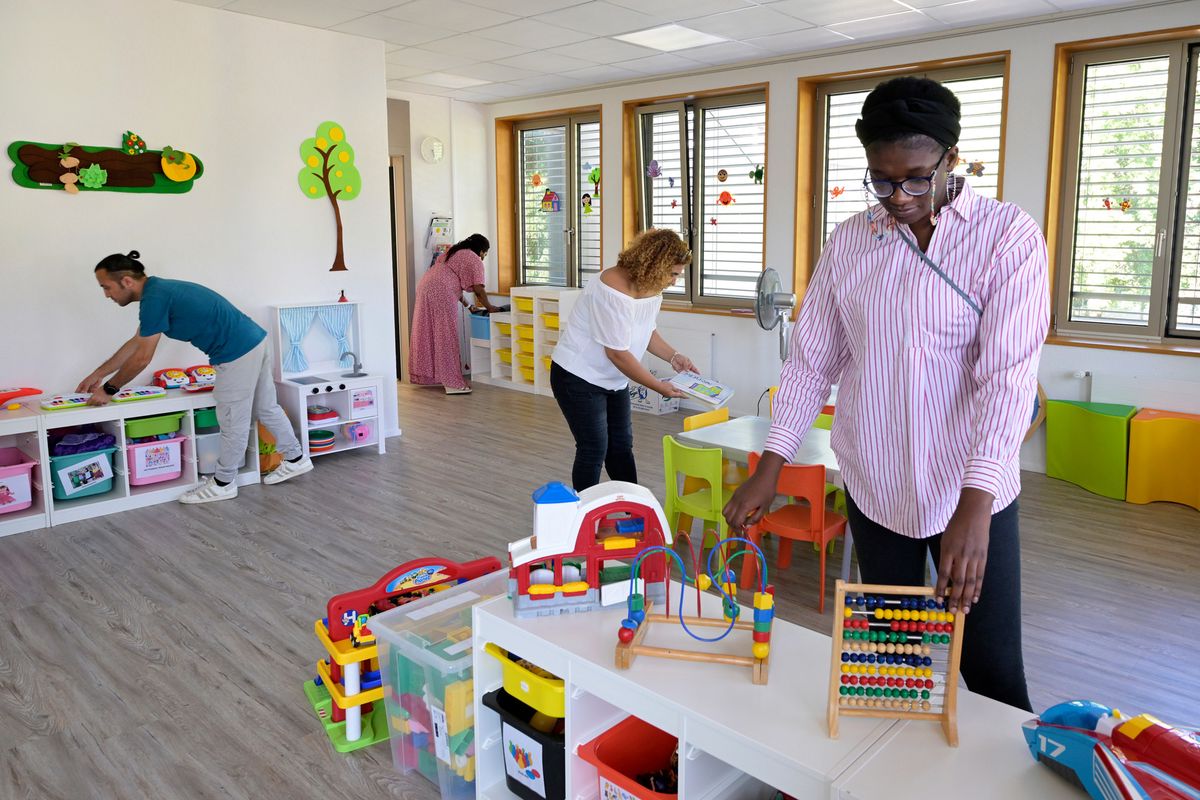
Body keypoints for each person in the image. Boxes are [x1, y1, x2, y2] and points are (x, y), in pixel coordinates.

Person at [723, 76, 1049, 711]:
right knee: (892, 659)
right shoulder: (852, 242)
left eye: (918, 177)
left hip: (972, 492)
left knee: (991, 670)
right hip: (877, 484)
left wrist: (977, 508)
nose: (899, 197)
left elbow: (1007, 377)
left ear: (952, 160)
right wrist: (772, 465)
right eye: (882, 179)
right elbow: (811, 361)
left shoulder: (1006, 237)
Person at [79, 250, 312, 504]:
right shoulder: (158, 292)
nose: (106, 295)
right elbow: (136, 343)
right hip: (253, 340)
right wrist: (98, 374)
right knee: (265, 407)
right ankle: (296, 458)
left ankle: (224, 483)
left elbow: (142, 358)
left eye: (107, 287)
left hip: (236, 352)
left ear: (126, 281)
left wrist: (109, 389)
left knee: (233, 419)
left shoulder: (155, 298)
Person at [551, 228, 697, 491]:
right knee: (594, 447)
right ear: (655, 264)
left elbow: (646, 330)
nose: (675, 281)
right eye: (673, 274)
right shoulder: (610, 289)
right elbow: (617, 353)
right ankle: (585, 516)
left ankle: (634, 508)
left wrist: (674, 357)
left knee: (620, 447)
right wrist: (658, 386)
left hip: (613, 379)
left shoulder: (652, 288)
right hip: (577, 377)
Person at [409, 233, 500, 395]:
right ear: (481, 250)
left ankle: (429, 376)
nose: (484, 257)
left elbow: (452, 284)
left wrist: (469, 305)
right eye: (485, 253)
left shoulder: (453, 252)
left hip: (426, 286)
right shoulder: (472, 258)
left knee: (427, 331)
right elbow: (478, 288)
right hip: (441, 291)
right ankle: (452, 383)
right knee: (446, 335)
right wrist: (490, 307)